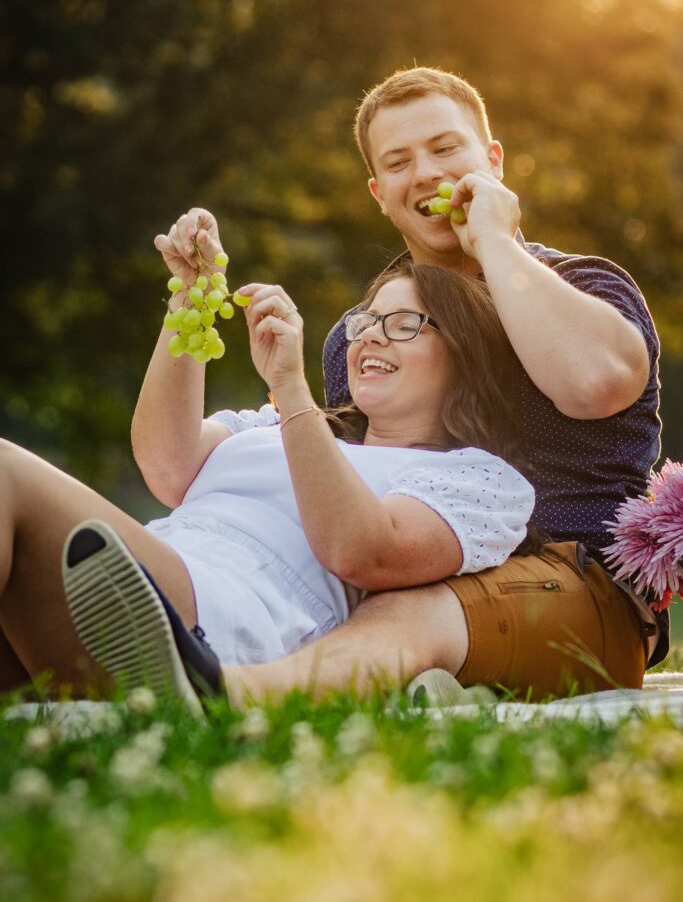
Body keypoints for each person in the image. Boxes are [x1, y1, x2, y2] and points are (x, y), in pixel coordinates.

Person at [208, 66, 665, 706]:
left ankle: (225, 698)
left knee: (415, 613)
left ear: (493, 161)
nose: (424, 172)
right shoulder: (360, 336)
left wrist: (493, 243)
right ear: (378, 191)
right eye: (399, 161)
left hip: (578, 589)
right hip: (397, 575)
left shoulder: (588, 286)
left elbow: (594, 385)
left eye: (445, 148)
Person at [0, 244, 535, 710]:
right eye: (366, 321)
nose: (371, 337)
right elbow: (166, 465)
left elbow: (361, 550)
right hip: (149, 566)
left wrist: (291, 385)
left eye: (403, 324)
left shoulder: (479, 479)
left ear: (466, 353)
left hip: (222, 618)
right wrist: (192, 298)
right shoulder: (270, 426)